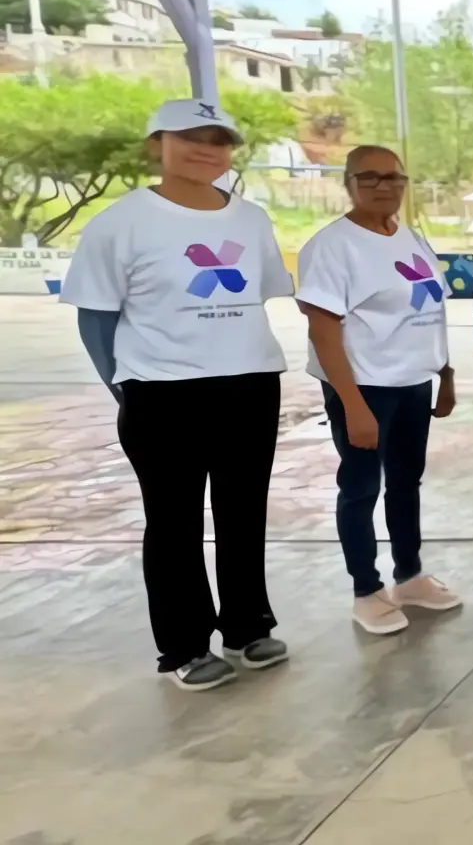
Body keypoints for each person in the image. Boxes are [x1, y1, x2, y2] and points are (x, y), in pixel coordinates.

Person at [63, 98, 294, 691]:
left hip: (249, 384)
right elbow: (96, 319)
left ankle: (246, 626)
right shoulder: (122, 222)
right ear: (155, 145)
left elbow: (257, 294)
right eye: (190, 136)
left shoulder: (250, 219)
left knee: (243, 513)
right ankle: (184, 646)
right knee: (173, 524)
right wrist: (124, 389)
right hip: (162, 392)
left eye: (219, 140)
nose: (206, 149)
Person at [297, 145, 461, 636]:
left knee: (406, 482)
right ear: (347, 183)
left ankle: (409, 577)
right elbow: (323, 331)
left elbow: (431, 311)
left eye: (394, 178)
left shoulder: (407, 237)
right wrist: (353, 405)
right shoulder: (331, 246)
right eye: (369, 178)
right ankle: (366, 589)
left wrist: (446, 376)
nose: (384, 186)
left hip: (413, 382)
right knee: (362, 488)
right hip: (365, 387)